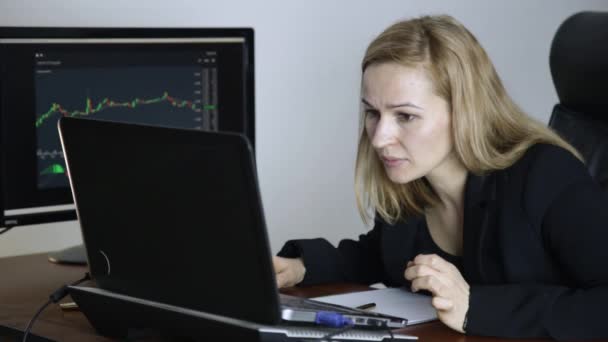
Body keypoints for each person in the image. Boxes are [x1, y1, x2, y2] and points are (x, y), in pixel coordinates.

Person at [272, 14, 608, 340]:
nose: (378, 138)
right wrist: (303, 266)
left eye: (405, 115)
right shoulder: (413, 183)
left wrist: (475, 308)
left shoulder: (546, 175)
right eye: (373, 113)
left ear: (465, 111)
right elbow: (379, 257)